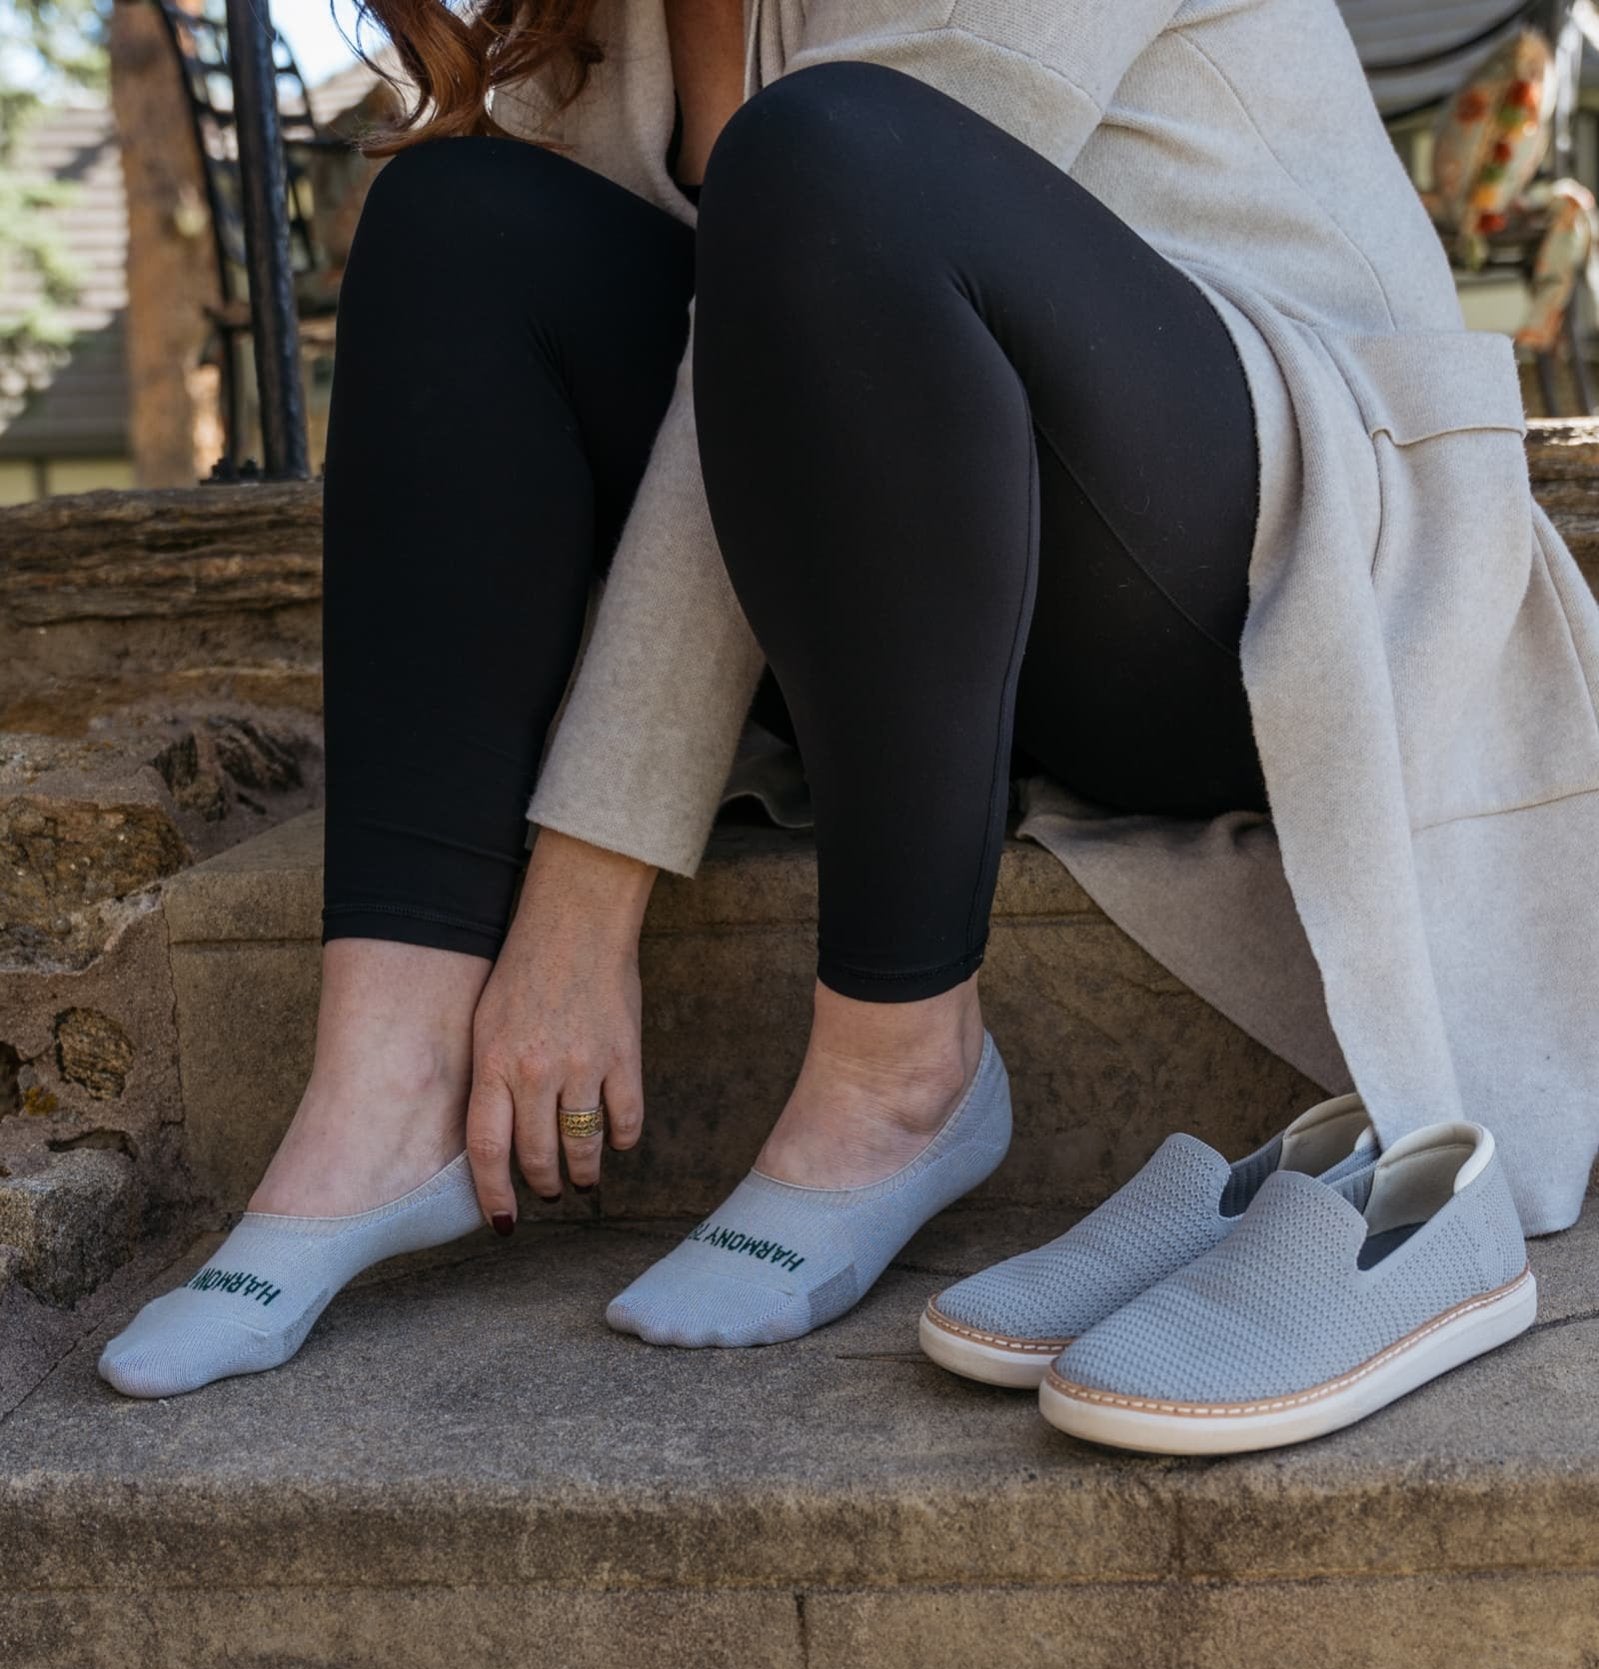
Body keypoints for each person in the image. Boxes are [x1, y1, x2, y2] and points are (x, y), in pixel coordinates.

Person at [101, 1, 1599, 1453]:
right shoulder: (601, 29)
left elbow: (796, 315)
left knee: (831, 158)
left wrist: (580, 897)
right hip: (952, 627)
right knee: (459, 219)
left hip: (1278, 591)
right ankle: (387, 1081)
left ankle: (902, 1068)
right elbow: (718, 402)